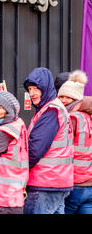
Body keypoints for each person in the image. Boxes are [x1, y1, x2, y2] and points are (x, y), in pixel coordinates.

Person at [23, 67, 73, 214]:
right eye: (30, 89)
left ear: (44, 87)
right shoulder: (55, 109)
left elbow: (34, 150)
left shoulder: (50, 111)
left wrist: (19, 171)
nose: (31, 93)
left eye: (35, 88)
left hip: (44, 184)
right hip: (57, 183)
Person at [57, 70, 92, 214]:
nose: (64, 100)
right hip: (89, 184)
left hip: (74, 182)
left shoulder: (71, 118)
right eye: (61, 96)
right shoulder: (88, 117)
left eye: (68, 98)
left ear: (76, 99)